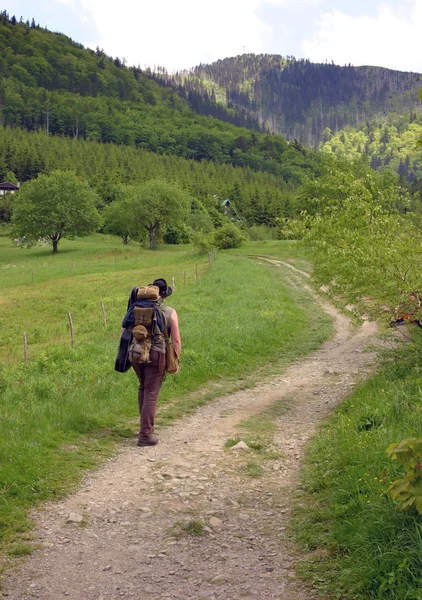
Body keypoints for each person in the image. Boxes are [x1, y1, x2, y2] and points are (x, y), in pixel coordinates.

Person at [131, 278, 181, 447]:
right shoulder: (169, 312)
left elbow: (125, 331)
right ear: (164, 295)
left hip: (136, 352)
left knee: (143, 387)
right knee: (151, 392)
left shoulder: (136, 308)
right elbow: (176, 340)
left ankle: (144, 427)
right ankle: (145, 435)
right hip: (157, 354)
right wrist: (175, 360)